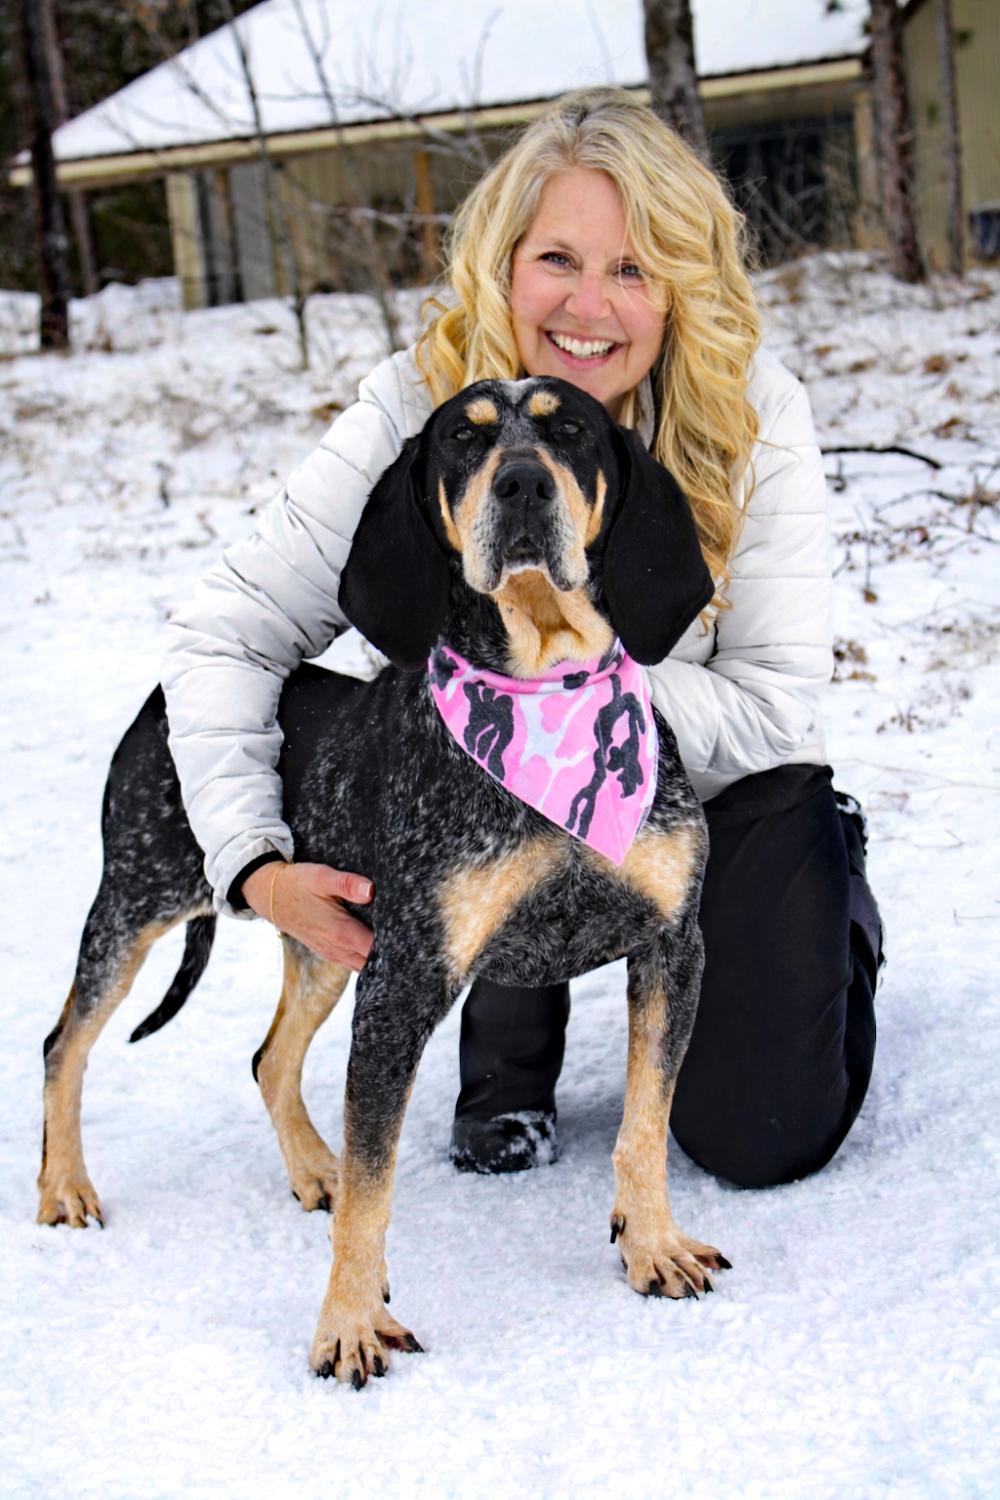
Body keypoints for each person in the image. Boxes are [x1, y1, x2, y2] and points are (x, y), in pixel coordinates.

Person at [162, 88, 882, 1192]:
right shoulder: (421, 412)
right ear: (502, 264)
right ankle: (508, 1030)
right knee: (460, 771)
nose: (590, 304)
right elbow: (226, 636)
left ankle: (836, 908)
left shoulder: (745, 414)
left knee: (761, 1133)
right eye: (558, 259)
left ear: (680, 290)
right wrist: (252, 862)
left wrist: (565, 696)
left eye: (634, 270)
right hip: (476, 785)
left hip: (713, 789)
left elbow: (772, 706)